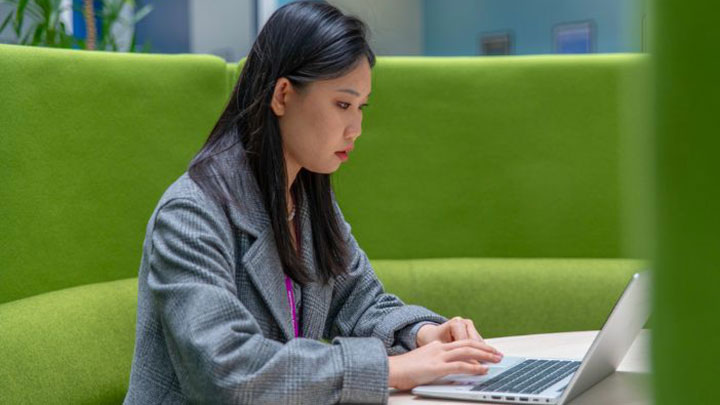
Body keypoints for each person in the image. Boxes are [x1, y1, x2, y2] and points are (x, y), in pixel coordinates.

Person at [123, 1, 503, 403]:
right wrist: (390, 369)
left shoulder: (304, 197)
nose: (355, 129)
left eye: (361, 108)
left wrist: (423, 334)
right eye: (342, 104)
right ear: (283, 95)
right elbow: (227, 371)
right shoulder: (190, 214)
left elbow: (360, 301)